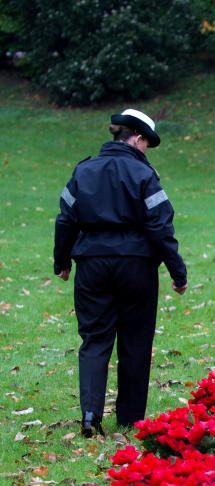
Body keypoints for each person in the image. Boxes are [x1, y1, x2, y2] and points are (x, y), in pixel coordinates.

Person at [53, 109, 188, 437]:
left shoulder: (84, 170)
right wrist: (177, 271)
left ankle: (90, 416)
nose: (146, 151)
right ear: (138, 138)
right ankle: (129, 420)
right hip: (136, 267)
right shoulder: (144, 175)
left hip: (91, 266)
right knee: (136, 342)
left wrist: (62, 262)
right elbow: (160, 226)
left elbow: (65, 219)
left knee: (95, 339)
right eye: (147, 144)